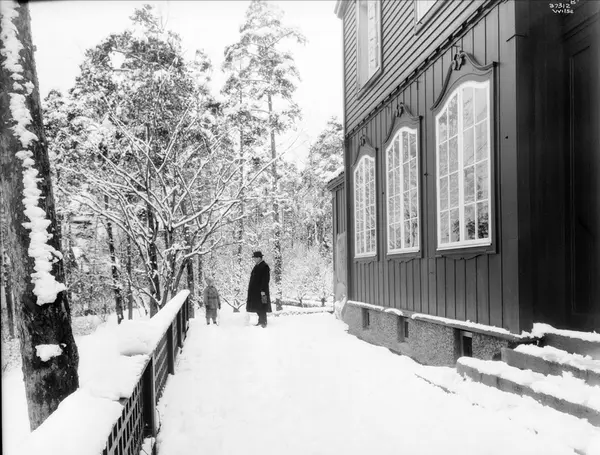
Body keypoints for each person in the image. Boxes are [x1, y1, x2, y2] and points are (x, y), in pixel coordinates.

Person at [246, 251, 271, 327]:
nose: (254, 259)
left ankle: (263, 322)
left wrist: (262, 290)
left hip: (262, 291)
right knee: (258, 306)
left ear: (259, 258)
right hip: (256, 292)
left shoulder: (264, 266)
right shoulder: (257, 266)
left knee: (263, 306)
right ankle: (261, 321)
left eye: (255, 258)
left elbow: (265, 280)